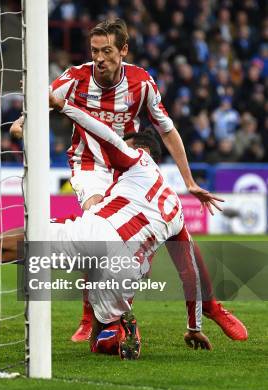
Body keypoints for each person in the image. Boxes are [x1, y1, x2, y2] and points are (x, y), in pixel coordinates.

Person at [0, 99, 213, 358]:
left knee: (2, 246)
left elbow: (108, 136)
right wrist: (193, 327)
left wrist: (64, 105)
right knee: (100, 339)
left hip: (93, 235)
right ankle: (119, 329)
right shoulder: (177, 208)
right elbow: (190, 272)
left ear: (140, 149)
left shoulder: (137, 159)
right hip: (127, 270)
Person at [48, 18, 245, 342]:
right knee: (97, 231)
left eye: (107, 51)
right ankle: (91, 318)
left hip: (129, 163)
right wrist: (22, 121)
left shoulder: (141, 83)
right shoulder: (74, 78)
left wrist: (189, 180)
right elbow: (43, 100)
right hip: (90, 164)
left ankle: (210, 306)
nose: (100, 58)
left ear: (124, 50)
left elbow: (167, 129)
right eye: (95, 51)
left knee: (179, 236)